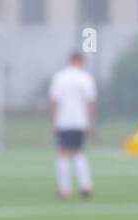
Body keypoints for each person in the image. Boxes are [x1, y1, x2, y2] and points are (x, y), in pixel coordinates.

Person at [49, 51, 97, 200]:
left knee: (63, 153)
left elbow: (54, 100)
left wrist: (54, 121)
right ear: (80, 62)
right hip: (80, 121)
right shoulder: (86, 78)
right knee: (77, 152)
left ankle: (66, 190)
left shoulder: (60, 77)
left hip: (64, 121)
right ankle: (86, 185)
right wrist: (91, 123)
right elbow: (91, 102)